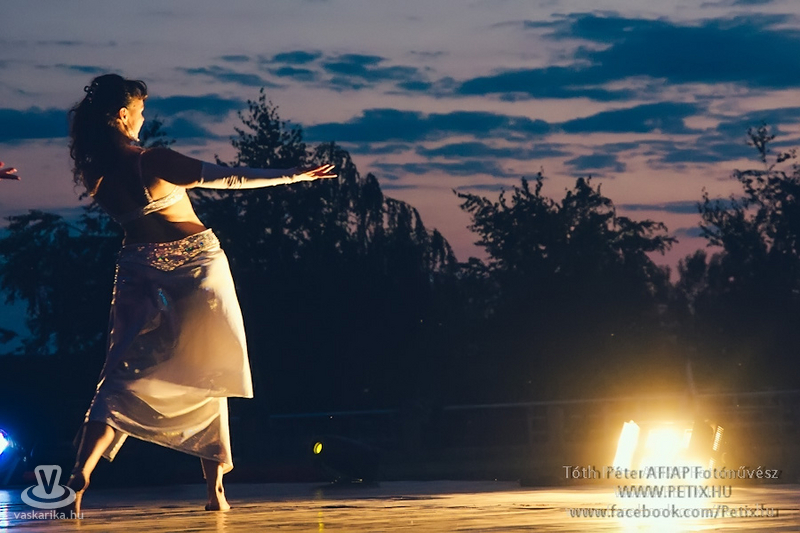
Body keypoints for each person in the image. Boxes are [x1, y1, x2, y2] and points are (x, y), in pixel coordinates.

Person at [65, 74, 336, 514]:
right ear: (122, 115)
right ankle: (215, 492)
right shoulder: (151, 159)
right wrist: (293, 175)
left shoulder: (97, 174)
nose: (143, 119)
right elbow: (230, 178)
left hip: (138, 269)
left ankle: (81, 473)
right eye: (140, 112)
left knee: (118, 376)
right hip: (196, 267)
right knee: (210, 371)